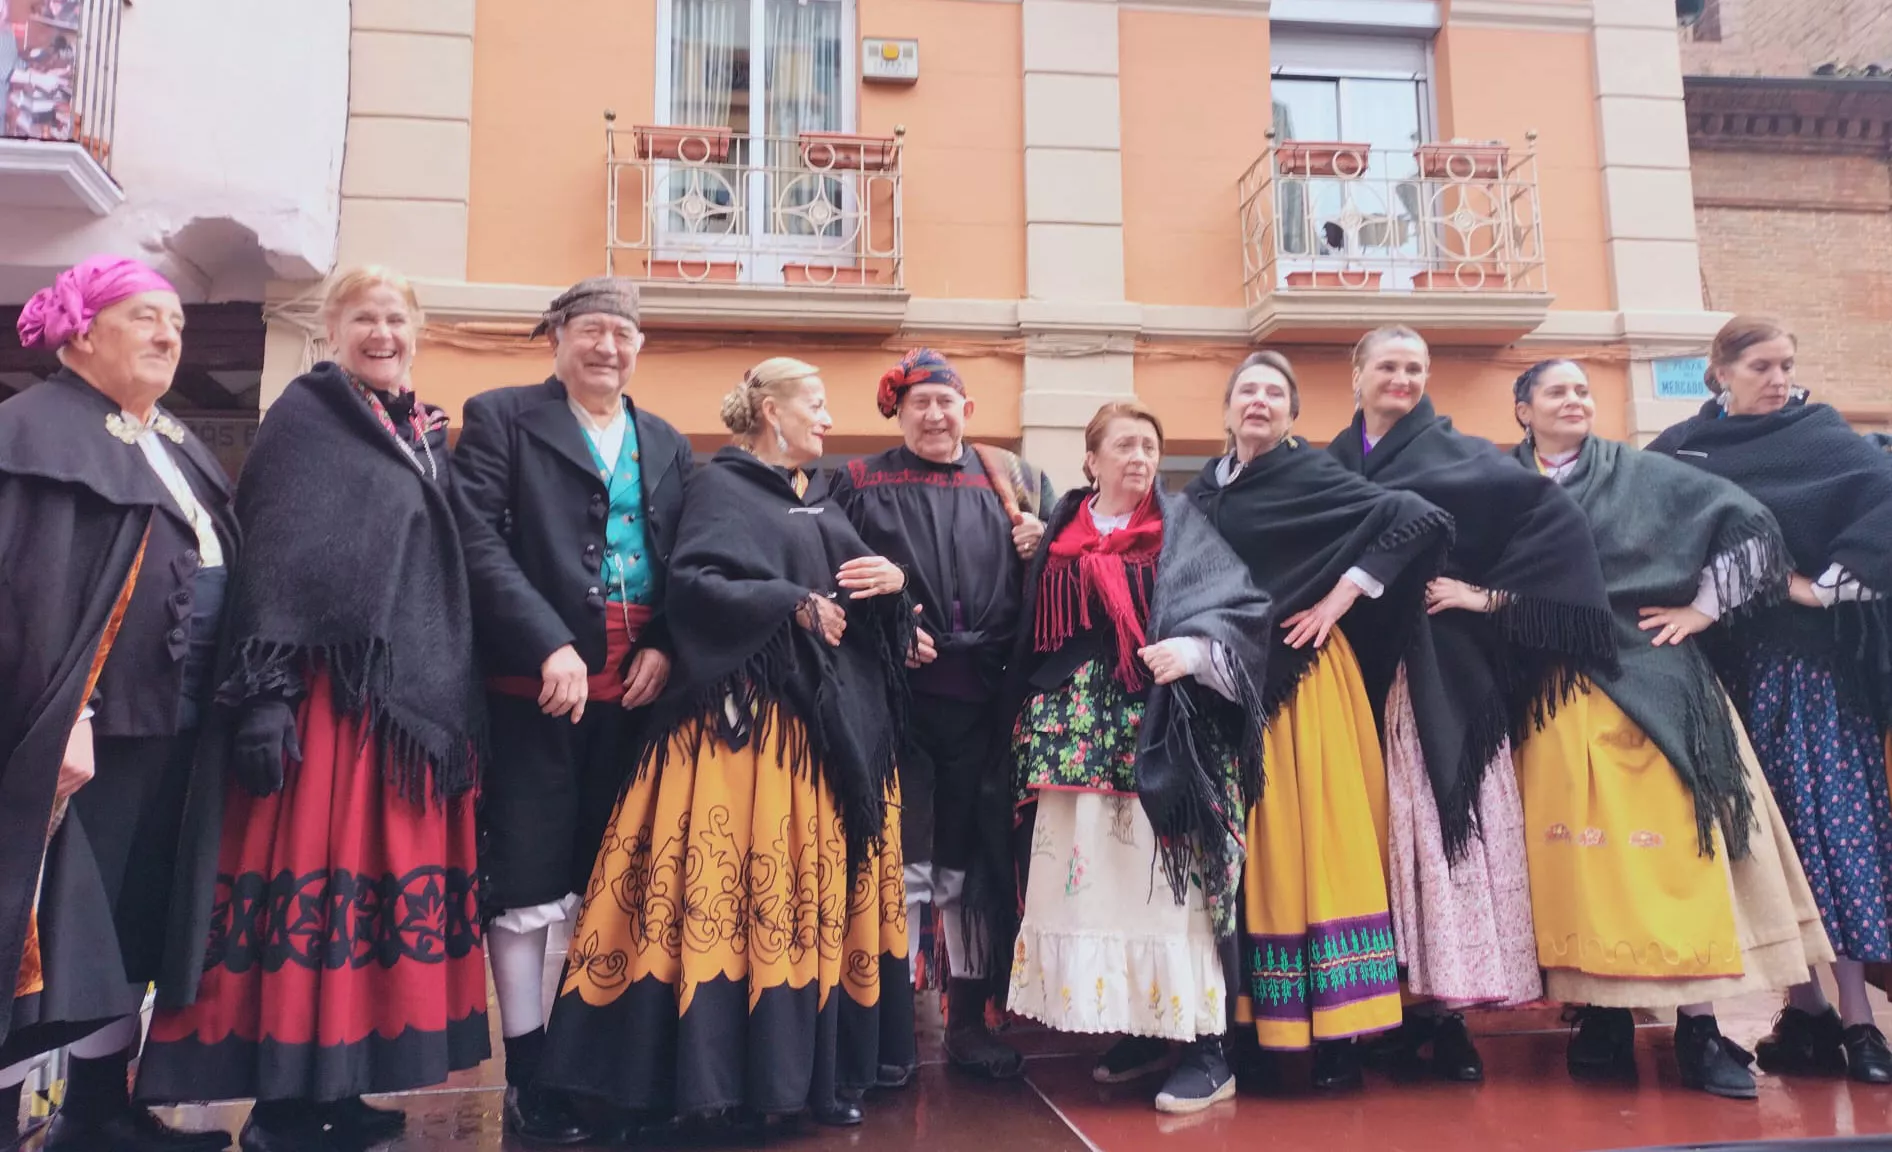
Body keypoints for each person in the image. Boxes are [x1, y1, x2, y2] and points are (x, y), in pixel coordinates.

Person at [134, 267, 490, 1151]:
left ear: (419, 331)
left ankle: (339, 1087)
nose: (384, 332)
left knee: (365, 901)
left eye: (398, 318)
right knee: (315, 895)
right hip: (318, 707)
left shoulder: (410, 431)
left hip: (394, 705)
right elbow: (275, 561)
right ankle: (284, 1104)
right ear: (333, 329)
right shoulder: (306, 419)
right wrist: (265, 699)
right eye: (364, 318)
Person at [538, 358, 917, 1132]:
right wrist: (791, 604)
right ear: (770, 413)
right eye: (813, 403)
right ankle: (715, 1082)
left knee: (810, 907)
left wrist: (893, 587)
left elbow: (856, 604)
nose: (826, 417)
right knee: (739, 901)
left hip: (830, 739)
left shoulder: (825, 500)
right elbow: (695, 586)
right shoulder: (720, 486)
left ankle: (818, 1074)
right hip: (743, 741)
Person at [1507, 357, 1833, 1098]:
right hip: (1554, 689)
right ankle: (1604, 1018)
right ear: (1523, 408)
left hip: (1656, 677)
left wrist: (1702, 612)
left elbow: (1748, 524)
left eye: (1584, 390)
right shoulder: (1505, 486)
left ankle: (1700, 1028)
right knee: (1578, 861)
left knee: (1678, 855)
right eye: (1556, 391)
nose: (1575, 400)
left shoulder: (1639, 474)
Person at [1327, 326, 1616, 1082]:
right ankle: (1392, 1009)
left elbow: (1555, 522)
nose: (1403, 378)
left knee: (1436, 832)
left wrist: (1487, 598)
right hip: (1352, 671)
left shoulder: (1461, 454)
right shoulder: (1327, 464)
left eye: (1416, 367)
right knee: (1378, 842)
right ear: (1354, 374)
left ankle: (1448, 1019)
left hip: (1436, 672)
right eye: (1388, 365)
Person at [0, 256, 235, 1152]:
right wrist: (71, 714)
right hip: (79, 737)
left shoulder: (168, 437)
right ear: (82, 332)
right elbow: (27, 594)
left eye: (175, 320)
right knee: (46, 934)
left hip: (172, 724)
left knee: (128, 922)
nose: (168, 335)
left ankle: (101, 1112)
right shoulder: (31, 434)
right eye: (144, 317)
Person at [450, 277, 691, 1144]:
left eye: (622, 335)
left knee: (612, 879)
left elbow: (686, 555)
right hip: (533, 691)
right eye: (591, 331)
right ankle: (530, 1068)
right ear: (557, 337)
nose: (607, 348)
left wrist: (666, 640)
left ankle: (600, 1056)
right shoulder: (501, 415)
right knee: (526, 880)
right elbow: (472, 536)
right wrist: (546, 640)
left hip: (637, 696)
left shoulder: (664, 439)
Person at [1184, 351, 1451, 1091]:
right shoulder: (1206, 489)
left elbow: (1414, 517)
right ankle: (1251, 1028)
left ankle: (1340, 1035)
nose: (1260, 401)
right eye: (1248, 391)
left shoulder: (1311, 475)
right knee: (1249, 856)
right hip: (1224, 686)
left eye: (1275, 392)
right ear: (1228, 408)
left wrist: (1340, 600)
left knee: (1318, 845)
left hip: (1302, 683)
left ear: (1294, 414)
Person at [996, 401, 1272, 1114]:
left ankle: (1210, 1050)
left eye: (1150, 444)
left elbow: (1241, 611)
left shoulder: (1180, 530)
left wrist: (1196, 651)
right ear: (1091, 461)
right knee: (1100, 886)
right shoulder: (1059, 532)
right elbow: (1028, 631)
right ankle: (1142, 1027)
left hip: (1163, 735)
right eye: (1124, 445)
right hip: (1072, 743)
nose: (1140, 457)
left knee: (1173, 889)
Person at [1647, 317, 1892, 1085]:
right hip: (1721, 677)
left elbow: (1883, 511)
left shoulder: (1824, 435)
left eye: (1787, 363)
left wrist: (1818, 589)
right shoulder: (1683, 448)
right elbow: (1647, 527)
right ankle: (1809, 1013)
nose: (1779, 377)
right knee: (1763, 843)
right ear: (1719, 371)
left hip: (1810, 673)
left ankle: (1860, 1027)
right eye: (1761, 365)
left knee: (1829, 830)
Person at [826, 347, 1052, 1080]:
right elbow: (827, 576)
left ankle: (968, 1018)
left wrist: (1040, 548)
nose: (933, 414)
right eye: (919, 402)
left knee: (975, 863)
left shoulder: (1015, 479)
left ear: (967, 409)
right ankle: (889, 1029)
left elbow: (1063, 576)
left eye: (945, 402)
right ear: (898, 408)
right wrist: (889, 629)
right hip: (893, 706)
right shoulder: (856, 481)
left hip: (989, 703)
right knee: (900, 864)